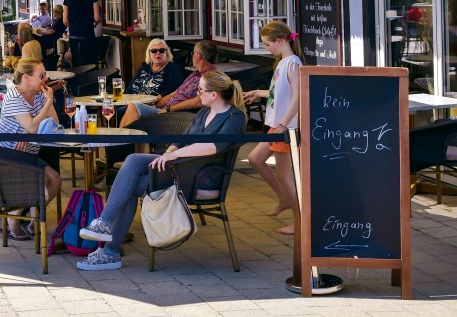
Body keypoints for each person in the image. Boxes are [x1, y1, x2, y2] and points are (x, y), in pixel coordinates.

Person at [77, 70, 248, 271]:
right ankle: (107, 236)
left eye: (200, 90)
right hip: (178, 169)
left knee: (130, 178)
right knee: (131, 168)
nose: (197, 94)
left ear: (214, 94)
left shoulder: (235, 117)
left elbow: (213, 146)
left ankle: (108, 244)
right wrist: (167, 155)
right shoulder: (204, 112)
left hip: (200, 177)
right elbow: (181, 139)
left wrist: (172, 157)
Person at [244, 21, 303, 236]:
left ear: (279, 41)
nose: (267, 49)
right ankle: (285, 199)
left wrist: (283, 125)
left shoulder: (292, 63)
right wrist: (257, 93)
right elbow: (278, 92)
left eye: (267, 44)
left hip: (285, 128)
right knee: (255, 159)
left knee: (285, 175)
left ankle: (300, 221)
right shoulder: (283, 62)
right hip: (278, 125)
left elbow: (298, 97)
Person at [0, 58, 63, 240]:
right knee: (34, 185)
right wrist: (48, 104)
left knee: (55, 180)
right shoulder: (13, 97)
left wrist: (28, 131)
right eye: (41, 75)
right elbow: (34, 127)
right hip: (9, 156)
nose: (45, 78)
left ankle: (34, 221)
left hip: (29, 154)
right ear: (26, 77)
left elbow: (54, 123)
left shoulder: (39, 94)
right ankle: (13, 221)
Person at [119, 40, 219, 126]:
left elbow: (199, 102)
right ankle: (121, 143)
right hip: (166, 110)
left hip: (178, 117)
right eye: (154, 51)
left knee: (134, 107)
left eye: (193, 53)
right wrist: (154, 106)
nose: (192, 56)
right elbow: (174, 93)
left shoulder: (210, 77)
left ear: (198, 56)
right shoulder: (195, 74)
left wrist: (169, 109)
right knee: (132, 107)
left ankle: (118, 144)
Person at [63, 0, 102, 67]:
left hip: (74, 36)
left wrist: (73, 27)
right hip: (87, 35)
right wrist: (92, 24)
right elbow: (97, 17)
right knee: (90, 64)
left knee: (76, 65)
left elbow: (65, 20)